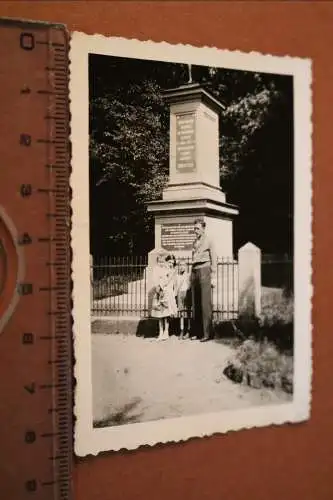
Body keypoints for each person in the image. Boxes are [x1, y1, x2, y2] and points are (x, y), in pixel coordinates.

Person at [190, 219, 217, 342]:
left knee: (205, 303)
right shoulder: (194, 242)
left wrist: (214, 275)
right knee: (196, 303)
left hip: (205, 270)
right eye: (194, 228)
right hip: (195, 270)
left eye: (198, 228)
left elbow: (214, 257)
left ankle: (207, 333)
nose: (195, 231)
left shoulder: (209, 240)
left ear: (203, 228)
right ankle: (198, 332)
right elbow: (193, 257)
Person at [150, 253, 178, 340]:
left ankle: (166, 332)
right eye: (169, 262)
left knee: (166, 314)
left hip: (168, 293)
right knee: (160, 314)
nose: (170, 264)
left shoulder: (172, 271)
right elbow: (158, 280)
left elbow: (172, 283)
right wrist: (159, 288)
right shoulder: (162, 270)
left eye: (172, 263)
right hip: (160, 292)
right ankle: (160, 332)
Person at [175, 259, 191, 340]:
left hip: (186, 293)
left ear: (186, 266)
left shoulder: (188, 275)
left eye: (183, 265)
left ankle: (188, 330)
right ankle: (182, 330)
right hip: (180, 294)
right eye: (180, 265)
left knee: (188, 312)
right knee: (181, 313)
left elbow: (190, 285)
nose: (181, 267)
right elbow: (176, 286)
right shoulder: (177, 276)